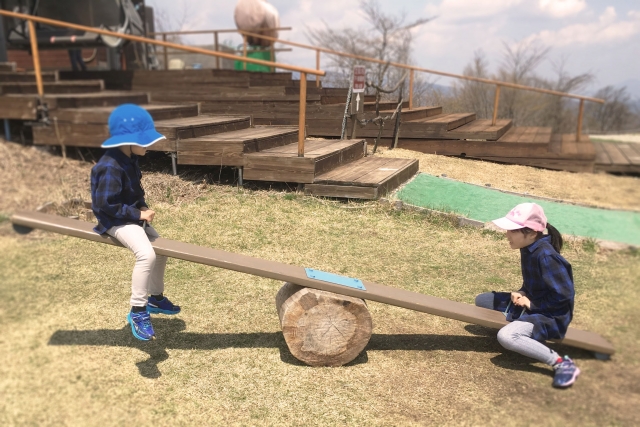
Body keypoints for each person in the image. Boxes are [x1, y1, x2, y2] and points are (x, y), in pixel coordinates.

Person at [91, 104, 180, 341]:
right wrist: (137, 215)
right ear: (127, 140)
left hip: (128, 215)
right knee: (146, 255)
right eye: (144, 141)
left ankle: (155, 298)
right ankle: (138, 311)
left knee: (161, 251)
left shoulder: (129, 158)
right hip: (114, 221)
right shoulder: (110, 166)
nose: (149, 145)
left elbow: (134, 190)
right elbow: (104, 205)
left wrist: (141, 205)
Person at [475, 202, 580, 388]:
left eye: (513, 230)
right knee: (482, 300)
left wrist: (531, 304)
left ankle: (561, 364)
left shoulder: (547, 256)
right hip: (534, 304)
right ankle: (521, 320)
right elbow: (537, 281)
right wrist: (522, 291)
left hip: (551, 315)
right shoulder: (529, 247)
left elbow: (564, 295)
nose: (507, 234)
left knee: (507, 337)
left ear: (531, 232)